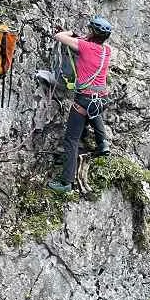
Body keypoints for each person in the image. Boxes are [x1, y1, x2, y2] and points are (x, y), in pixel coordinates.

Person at [47, 16, 113, 194]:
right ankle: (102, 144)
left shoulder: (84, 47)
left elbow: (59, 37)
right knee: (93, 113)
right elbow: (86, 41)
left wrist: (70, 32)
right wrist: (81, 36)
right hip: (101, 98)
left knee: (71, 139)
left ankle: (66, 182)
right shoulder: (107, 50)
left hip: (84, 99)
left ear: (92, 32)